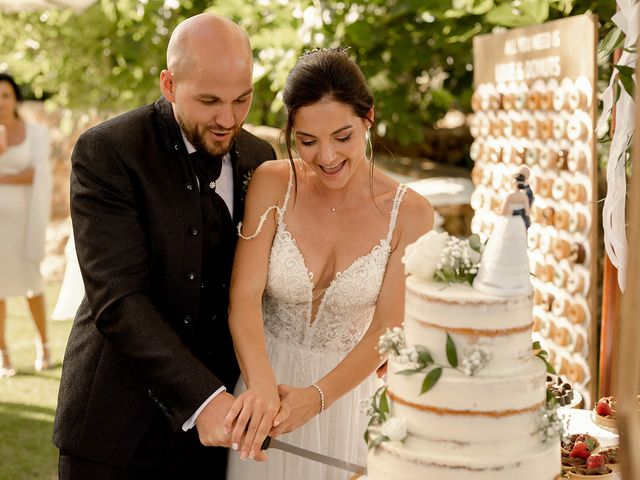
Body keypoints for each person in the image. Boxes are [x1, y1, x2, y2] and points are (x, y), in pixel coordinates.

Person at [53, 14, 276, 479]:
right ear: (170, 84)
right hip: (114, 430)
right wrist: (202, 398)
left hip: (216, 439)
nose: (228, 118)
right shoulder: (108, 151)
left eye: (242, 99)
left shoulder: (262, 159)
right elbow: (117, 299)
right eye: (209, 101)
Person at [224, 48, 434, 480]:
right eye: (307, 141)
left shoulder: (410, 213)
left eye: (343, 137)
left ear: (368, 118)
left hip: (349, 400)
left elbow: (387, 327)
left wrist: (316, 398)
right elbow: (243, 297)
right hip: (263, 385)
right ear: (290, 132)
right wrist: (261, 387)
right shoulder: (271, 183)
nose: (326, 157)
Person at [0, 72, 52, 378]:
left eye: (5, 95)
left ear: (15, 98)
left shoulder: (35, 133)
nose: (1, 102)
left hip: (24, 225)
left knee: (33, 286)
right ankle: (3, 353)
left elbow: (38, 174)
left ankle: (44, 344)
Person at [472, 172, 532, 296]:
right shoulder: (524, 197)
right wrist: (518, 212)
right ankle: (514, 281)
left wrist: (507, 211)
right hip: (519, 223)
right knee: (516, 248)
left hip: (508, 222)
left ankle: (498, 281)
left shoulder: (509, 196)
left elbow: (503, 212)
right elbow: (527, 212)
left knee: (501, 246)